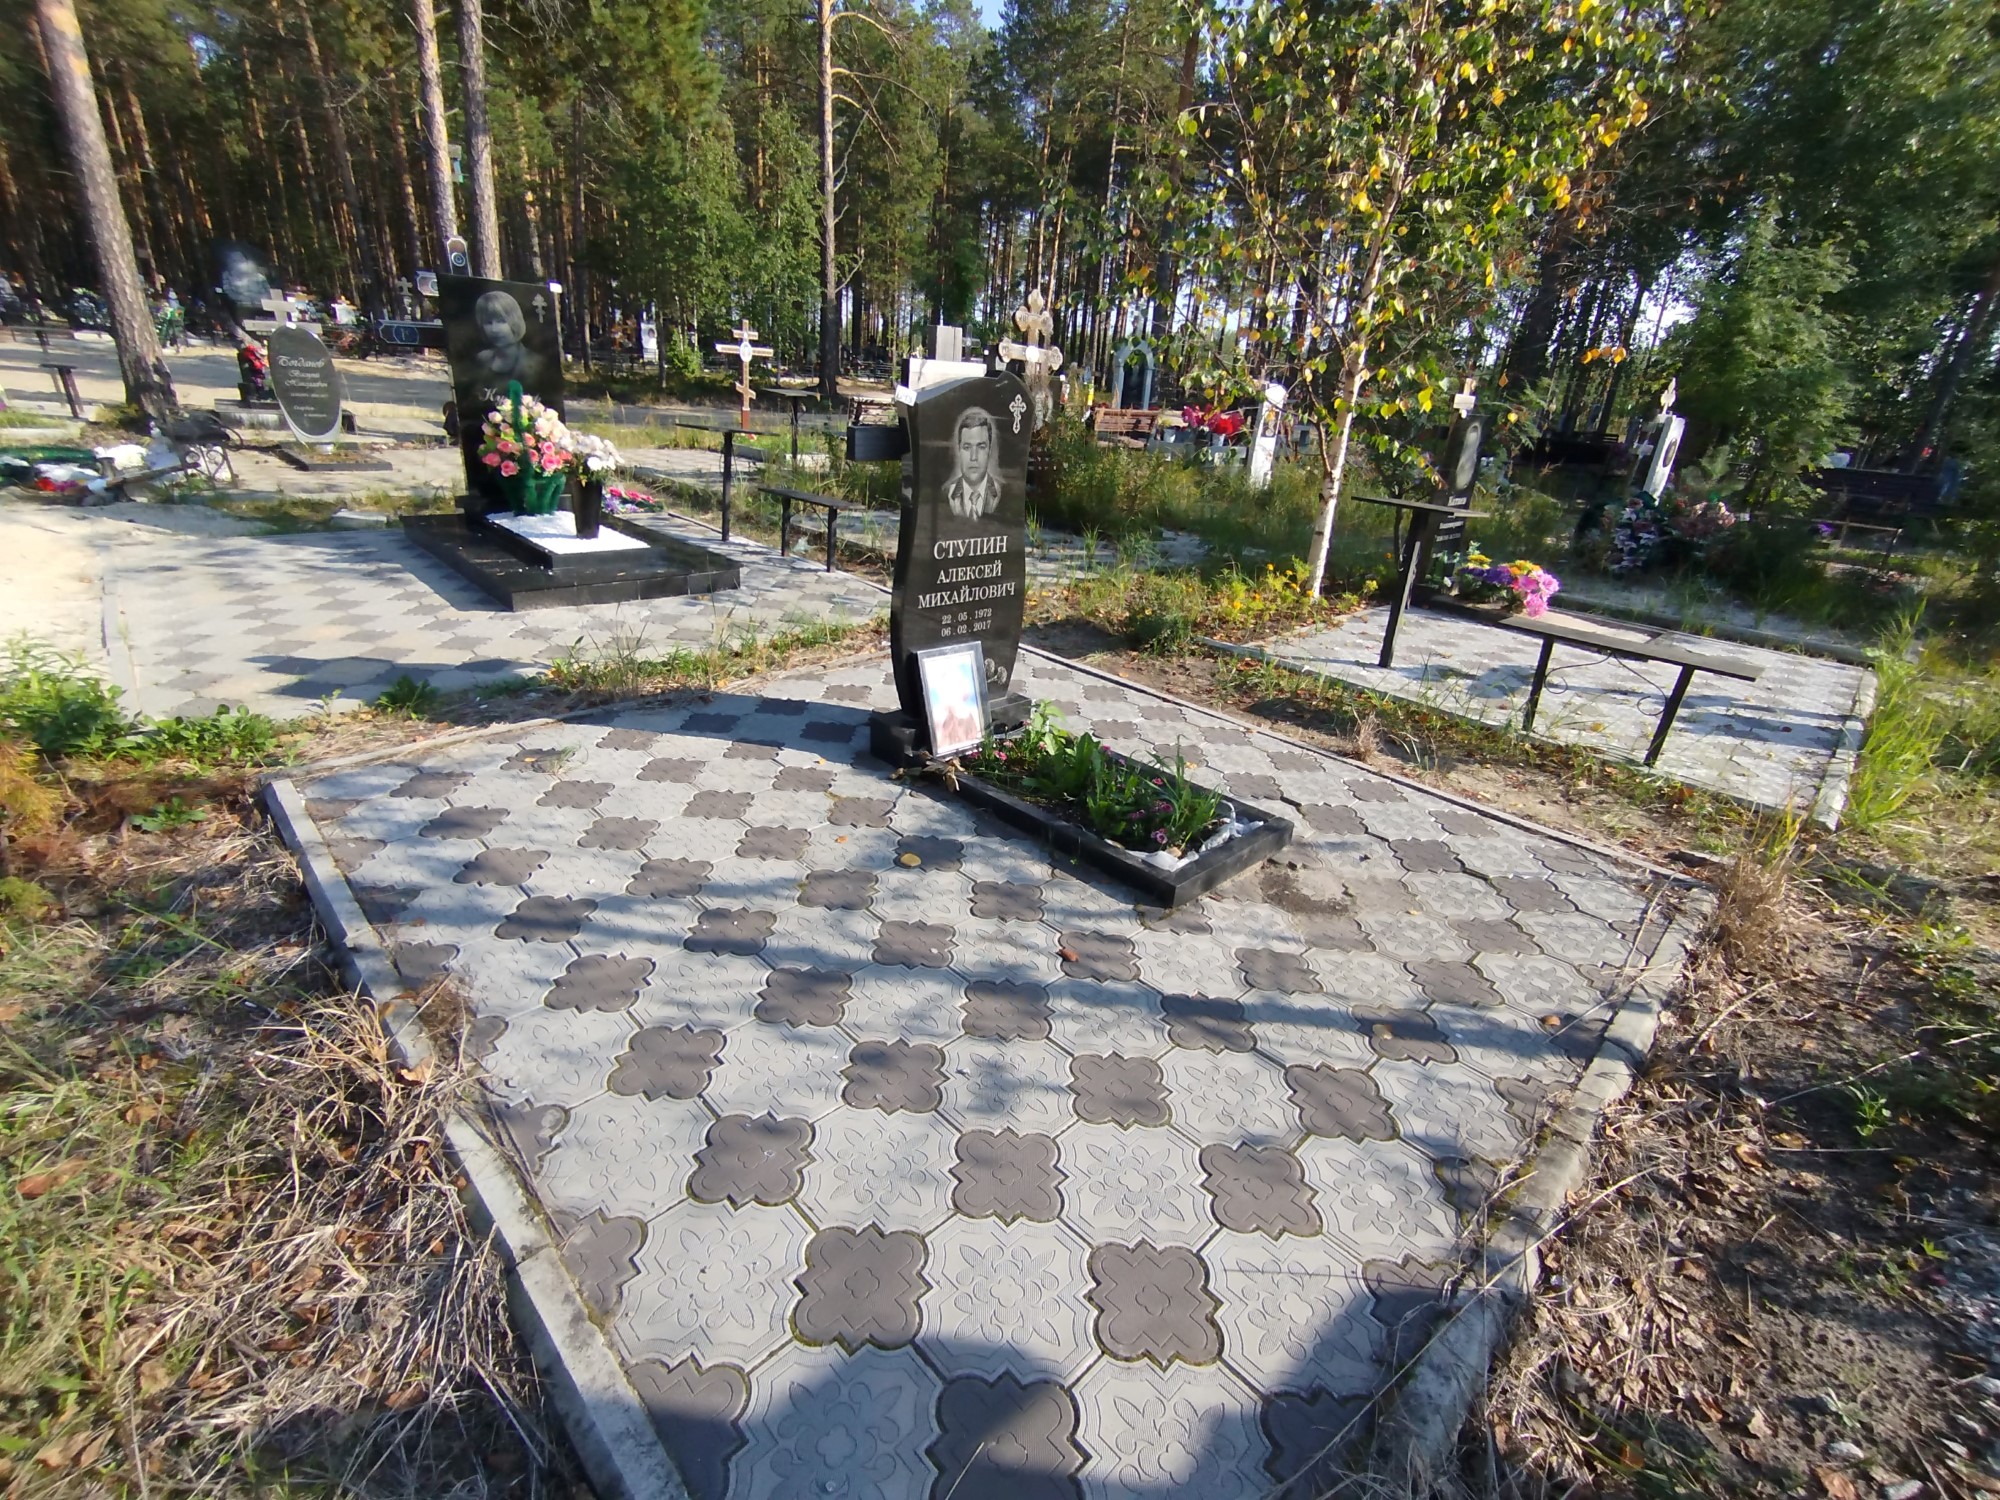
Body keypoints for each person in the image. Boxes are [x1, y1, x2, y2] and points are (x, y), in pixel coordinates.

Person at [946, 406, 1001, 520]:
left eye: (981, 447)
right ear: (958, 450)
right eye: (967, 447)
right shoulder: (948, 493)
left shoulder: (1000, 492)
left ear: (989, 450)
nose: (973, 457)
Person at [473, 289, 536, 385]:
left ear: (515, 321)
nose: (494, 329)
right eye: (488, 322)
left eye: (501, 321)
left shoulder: (536, 362)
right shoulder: (481, 359)